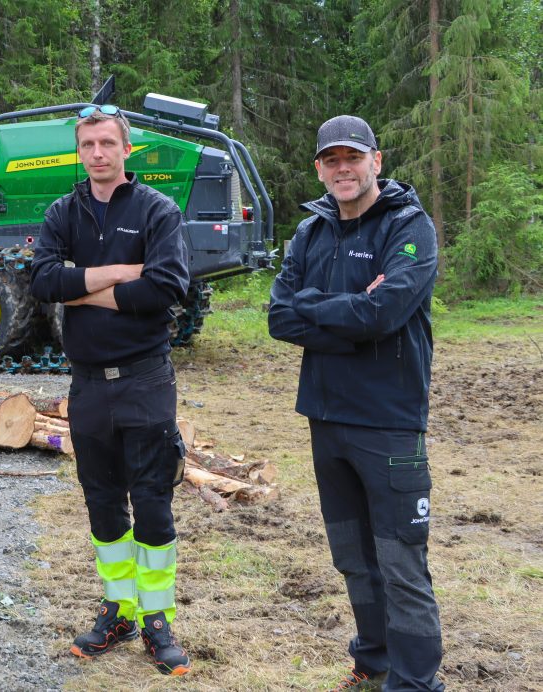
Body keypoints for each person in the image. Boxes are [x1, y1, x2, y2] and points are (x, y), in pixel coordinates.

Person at [267, 115, 443, 691]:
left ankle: (415, 684)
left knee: (400, 563)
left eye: (353, 158)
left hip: (389, 424)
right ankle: (373, 662)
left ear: (377, 161)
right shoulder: (311, 232)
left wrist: (316, 307)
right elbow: (278, 317)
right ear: (319, 169)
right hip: (326, 419)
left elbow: (384, 313)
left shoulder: (409, 226)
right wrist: (347, 310)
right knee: (353, 556)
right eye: (331, 161)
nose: (343, 169)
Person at [30, 104, 192, 676]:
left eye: (107, 144)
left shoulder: (157, 210)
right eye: (88, 146)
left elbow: (168, 286)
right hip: (89, 385)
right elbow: (43, 282)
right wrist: (122, 272)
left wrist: (82, 286)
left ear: (127, 149)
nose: (97, 154)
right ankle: (119, 608)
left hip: (146, 378)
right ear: (80, 152)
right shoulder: (62, 212)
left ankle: (156, 617)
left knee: (151, 501)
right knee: (101, 502)